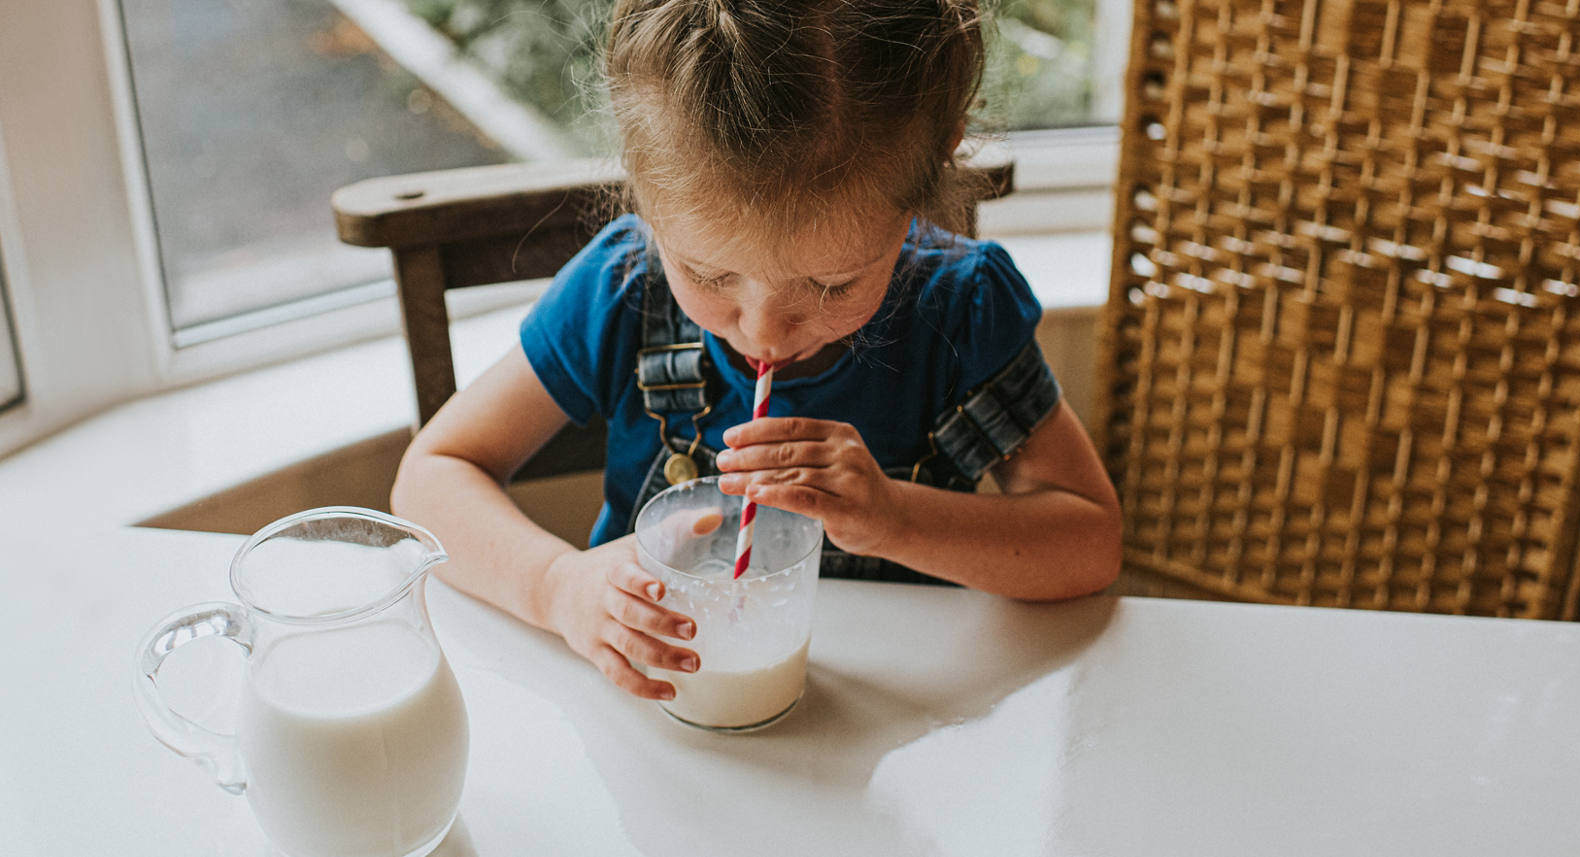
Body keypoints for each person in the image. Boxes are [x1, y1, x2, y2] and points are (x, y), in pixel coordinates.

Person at [390, 0, 1122, 703]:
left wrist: (897, 517)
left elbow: (1089, 543)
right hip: (652, 716)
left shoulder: (961, 312)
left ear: (937, 158)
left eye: (831, 285)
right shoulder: (622, 291)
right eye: (710, 276)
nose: (767, 333)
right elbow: (430, 477)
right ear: (644, 189)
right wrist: (556, 584)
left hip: (900, 725)